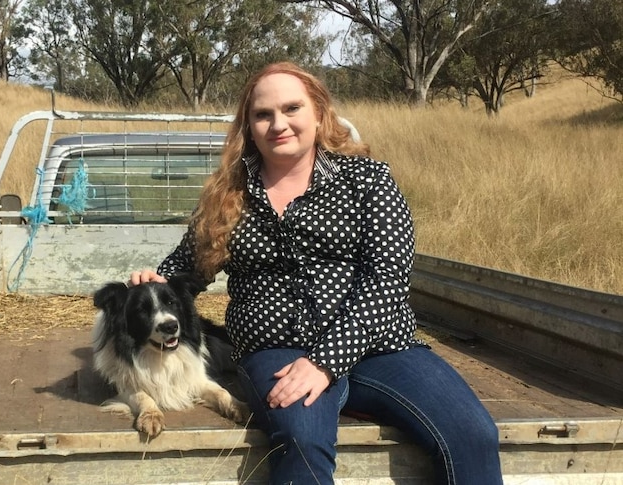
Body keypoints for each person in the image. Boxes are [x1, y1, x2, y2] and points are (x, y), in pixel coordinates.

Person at [128, 62, 503, 485]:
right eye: (263, 115)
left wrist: (325, 362)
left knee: (474, 434)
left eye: (292, 109)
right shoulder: (227, 196)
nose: (278, 124)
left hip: (384, 348)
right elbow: (185, 272)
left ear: (319, 113)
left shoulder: (368, 180)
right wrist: (152, 284)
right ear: (248, 127)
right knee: (301, 439)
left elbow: (388, 280)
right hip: (277, 349)